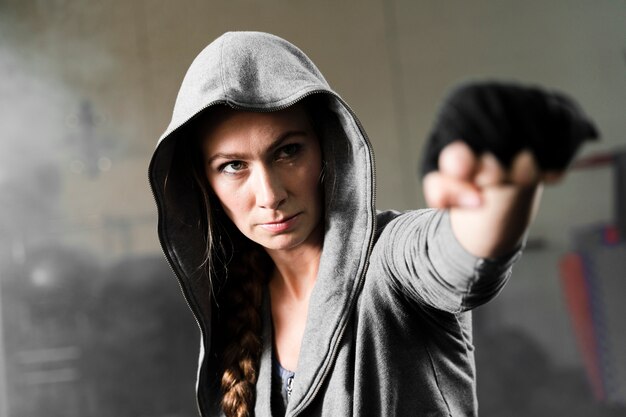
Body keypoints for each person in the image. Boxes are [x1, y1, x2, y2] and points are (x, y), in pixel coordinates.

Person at [148, 32, 596, 417]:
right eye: (233, 166)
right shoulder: (237, 307)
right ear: (202, 183)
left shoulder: (388, 260)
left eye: (288, 152)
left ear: (326, 149)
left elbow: (455, 255)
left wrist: (500, 187)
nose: (270, 195)